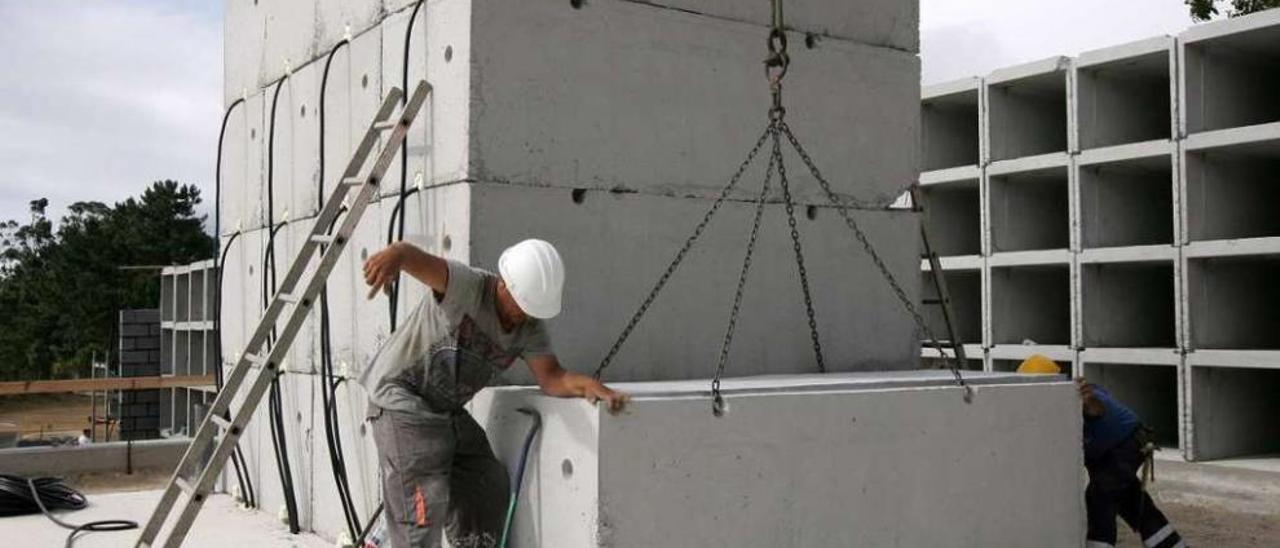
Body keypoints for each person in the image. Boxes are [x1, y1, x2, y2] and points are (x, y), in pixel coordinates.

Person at [359, 238, 627, 548]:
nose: (523, 317)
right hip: (401, 398)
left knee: (485, 483)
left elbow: (552, 378)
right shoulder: (468, 287)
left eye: (531, 311)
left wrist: (589, 387)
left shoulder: (529, 329)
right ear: (503, 284)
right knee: (421, 510)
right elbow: (416, 260)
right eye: (521, 306)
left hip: (444, 411)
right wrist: (397, 255)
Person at [1016, 355, 1187, 548]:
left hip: (1127, 445)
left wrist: (1087, 401)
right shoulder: (1050, 409)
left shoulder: (1080, 395)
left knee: (1100, 495)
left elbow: (1095, 409)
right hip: (1108, 454)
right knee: (1130, 501)